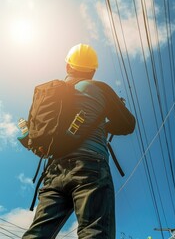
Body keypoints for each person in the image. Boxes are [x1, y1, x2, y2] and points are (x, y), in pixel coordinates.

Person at [22, 43, 136, 239]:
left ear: (68, 66)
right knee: (94, 232)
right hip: (90, 166)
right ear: (92, 70)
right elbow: (128, 124)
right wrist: (105, 125)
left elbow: (35, 132)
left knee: (37, 234)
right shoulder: (99, 88)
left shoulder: (49, 95)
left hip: (54, 172)